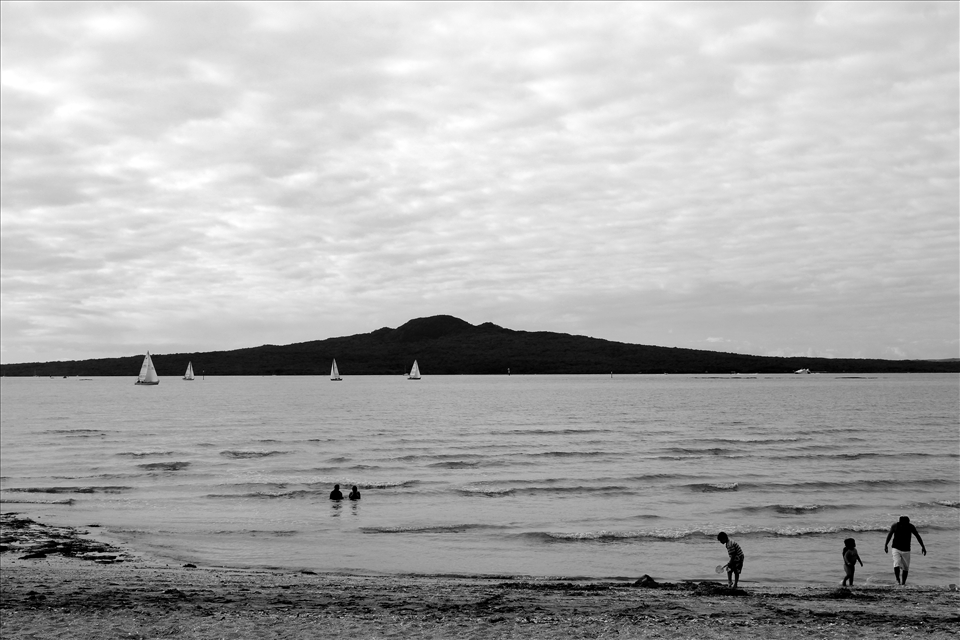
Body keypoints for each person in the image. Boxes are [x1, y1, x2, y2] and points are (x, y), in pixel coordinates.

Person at [884, 515, 926, 585]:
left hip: (906, 550)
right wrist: (886, 545)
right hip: (896, 548)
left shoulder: (911, 527)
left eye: (908, 523)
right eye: (905, 523)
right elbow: (890, 535)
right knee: (896, 563)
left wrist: (923, 547)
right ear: (900, 522)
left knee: (906, 568)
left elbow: (917, 536)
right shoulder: (895, 526)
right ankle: (897, 579)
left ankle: (903, 583)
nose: (906, 524)